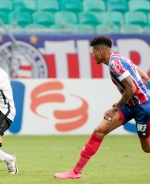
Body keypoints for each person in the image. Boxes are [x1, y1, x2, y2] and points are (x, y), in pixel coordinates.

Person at [54, 35, 150, 179]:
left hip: (142, 108)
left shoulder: (114, 65)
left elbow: (131, 89)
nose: (93, 56)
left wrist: (115, 108)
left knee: (147, 148)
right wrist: (139, 92)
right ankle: (75, 172)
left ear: (101, 52)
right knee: (100, 131)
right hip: (131, 105)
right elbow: (145, 78)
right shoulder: (120, 58)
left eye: (93, 53)